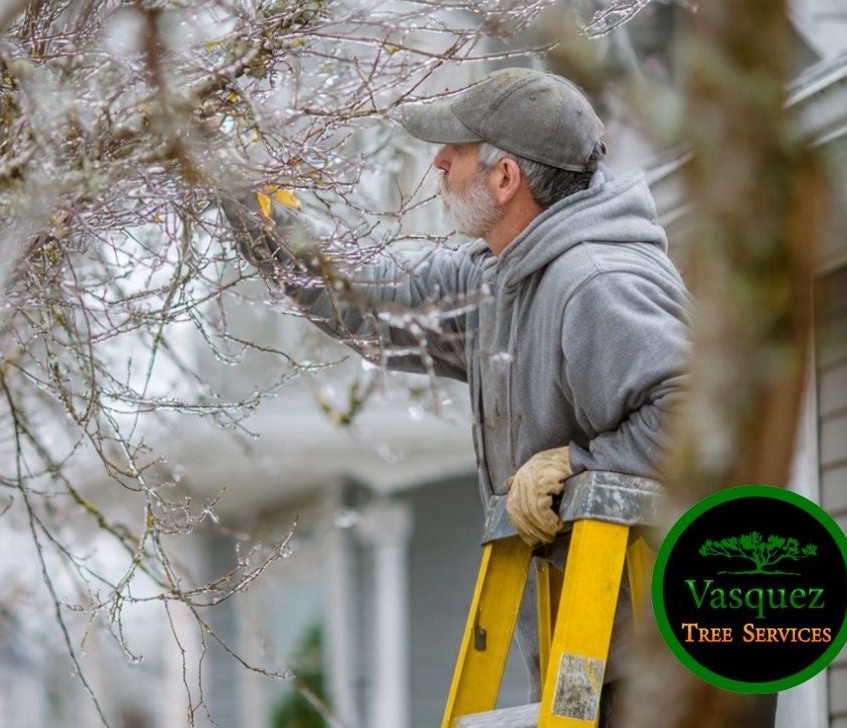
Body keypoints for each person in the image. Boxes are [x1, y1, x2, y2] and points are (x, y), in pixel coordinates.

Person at [223, 67, 775, 726]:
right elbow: (371, 300)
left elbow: (706, 423)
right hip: (589, 654)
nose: (440, 162)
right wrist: (251, 202)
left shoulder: (596, 279)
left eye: (455, 152)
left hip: (671, 665)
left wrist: (578, 465)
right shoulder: (502, 281)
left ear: (506, 178)